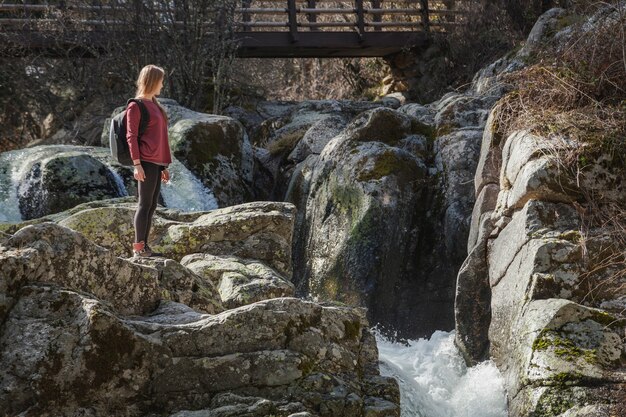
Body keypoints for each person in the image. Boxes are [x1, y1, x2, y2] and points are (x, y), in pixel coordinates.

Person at [126, 64, 172, 257]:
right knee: (144, 205)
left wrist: (163, 166)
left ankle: (145, 246)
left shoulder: (156, 105)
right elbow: (131, 136)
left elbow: (159, 137)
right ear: (153, 81)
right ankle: (138, 248)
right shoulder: (135, 106)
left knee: (152, 204)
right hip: (144, 161)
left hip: (156, 162)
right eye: (161, 80)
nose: (162, 84)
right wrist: (137, 164)